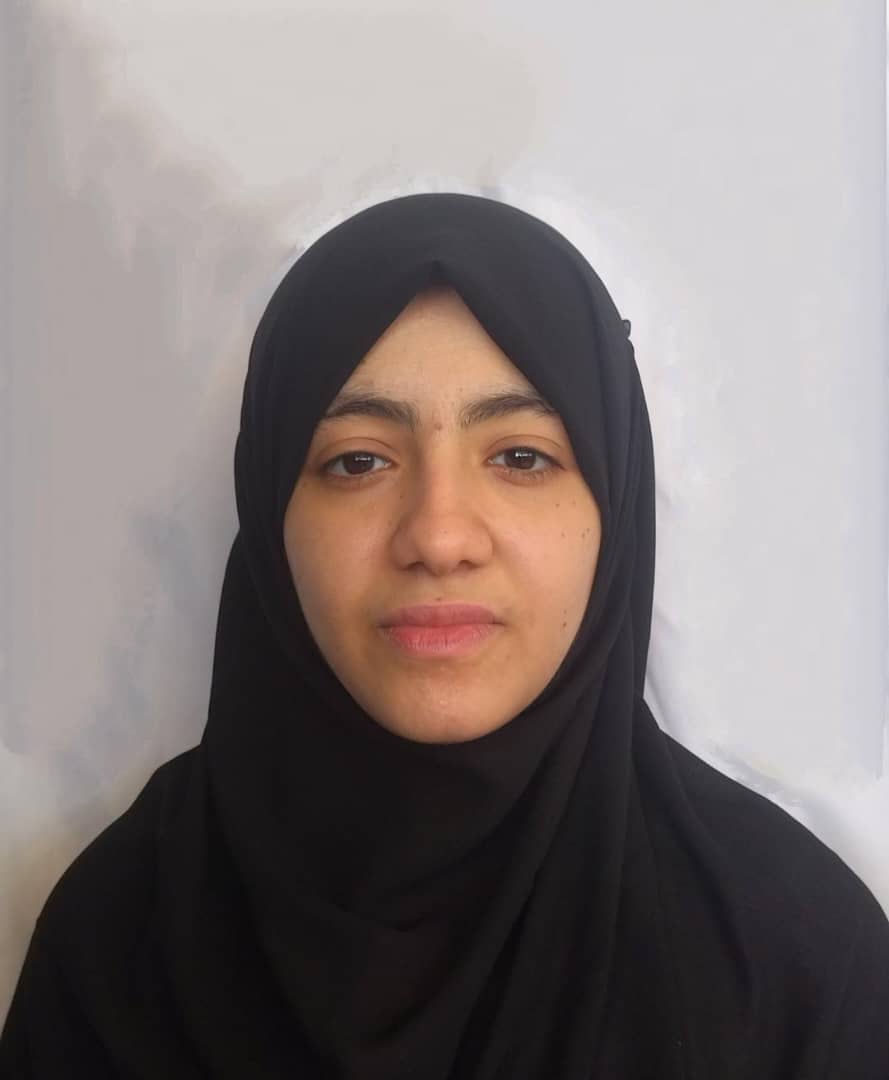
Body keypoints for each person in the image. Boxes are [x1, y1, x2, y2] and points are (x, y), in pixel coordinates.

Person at [1, 191, 888, 1079]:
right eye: (357, 461)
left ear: (612, 507)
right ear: (271, 512)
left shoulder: (794, 960)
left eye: (521, 457)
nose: (437, 536)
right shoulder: (120, 938)